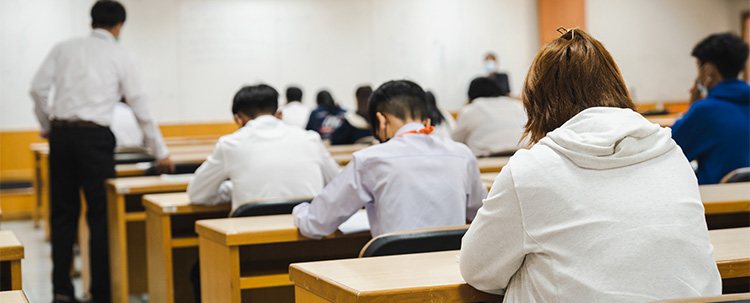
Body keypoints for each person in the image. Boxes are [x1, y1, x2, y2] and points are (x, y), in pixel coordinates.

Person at [459, 28, 721, 302]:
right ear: (617, 85)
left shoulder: (530, 170)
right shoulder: (671, 153)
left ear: (538, 103)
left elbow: (477, 270)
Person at [29, 1, 174, 302]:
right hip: (95, 139)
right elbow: (140, 106)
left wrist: (47, 125)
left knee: (63, 215)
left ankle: (61, 290)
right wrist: (160, 150)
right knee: (99, 216)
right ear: (119, 26)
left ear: (91, 21)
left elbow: (37, 89)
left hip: (62, 137)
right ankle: (101, 292)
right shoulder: (122, 55)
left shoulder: (64, 48)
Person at [293, 80, 486, 239]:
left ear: (381, 120)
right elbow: (478, 214)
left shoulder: (370, 159)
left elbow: (316, 224)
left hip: (392, 274)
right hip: (452, 273)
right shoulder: (462, 154)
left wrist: (300, 211)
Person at [187, 84, 340, 211]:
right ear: (279, 114)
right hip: (309, 237)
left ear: (238, 119)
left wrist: (233, 189)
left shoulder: (230, 144)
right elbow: (338, 184)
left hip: (250, 241)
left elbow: (197, 194)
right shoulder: (310, 139)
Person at [672, 32, 750, 184]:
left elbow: (670, 152)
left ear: (708, 70)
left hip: (717, 201)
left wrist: (691, 109)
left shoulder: (704, 111)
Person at [452, 77, 526, 156]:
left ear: (470, 95)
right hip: (523, 156)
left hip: (487, 161)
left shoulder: (471, 109)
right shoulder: (519, 105)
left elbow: (455, 141)